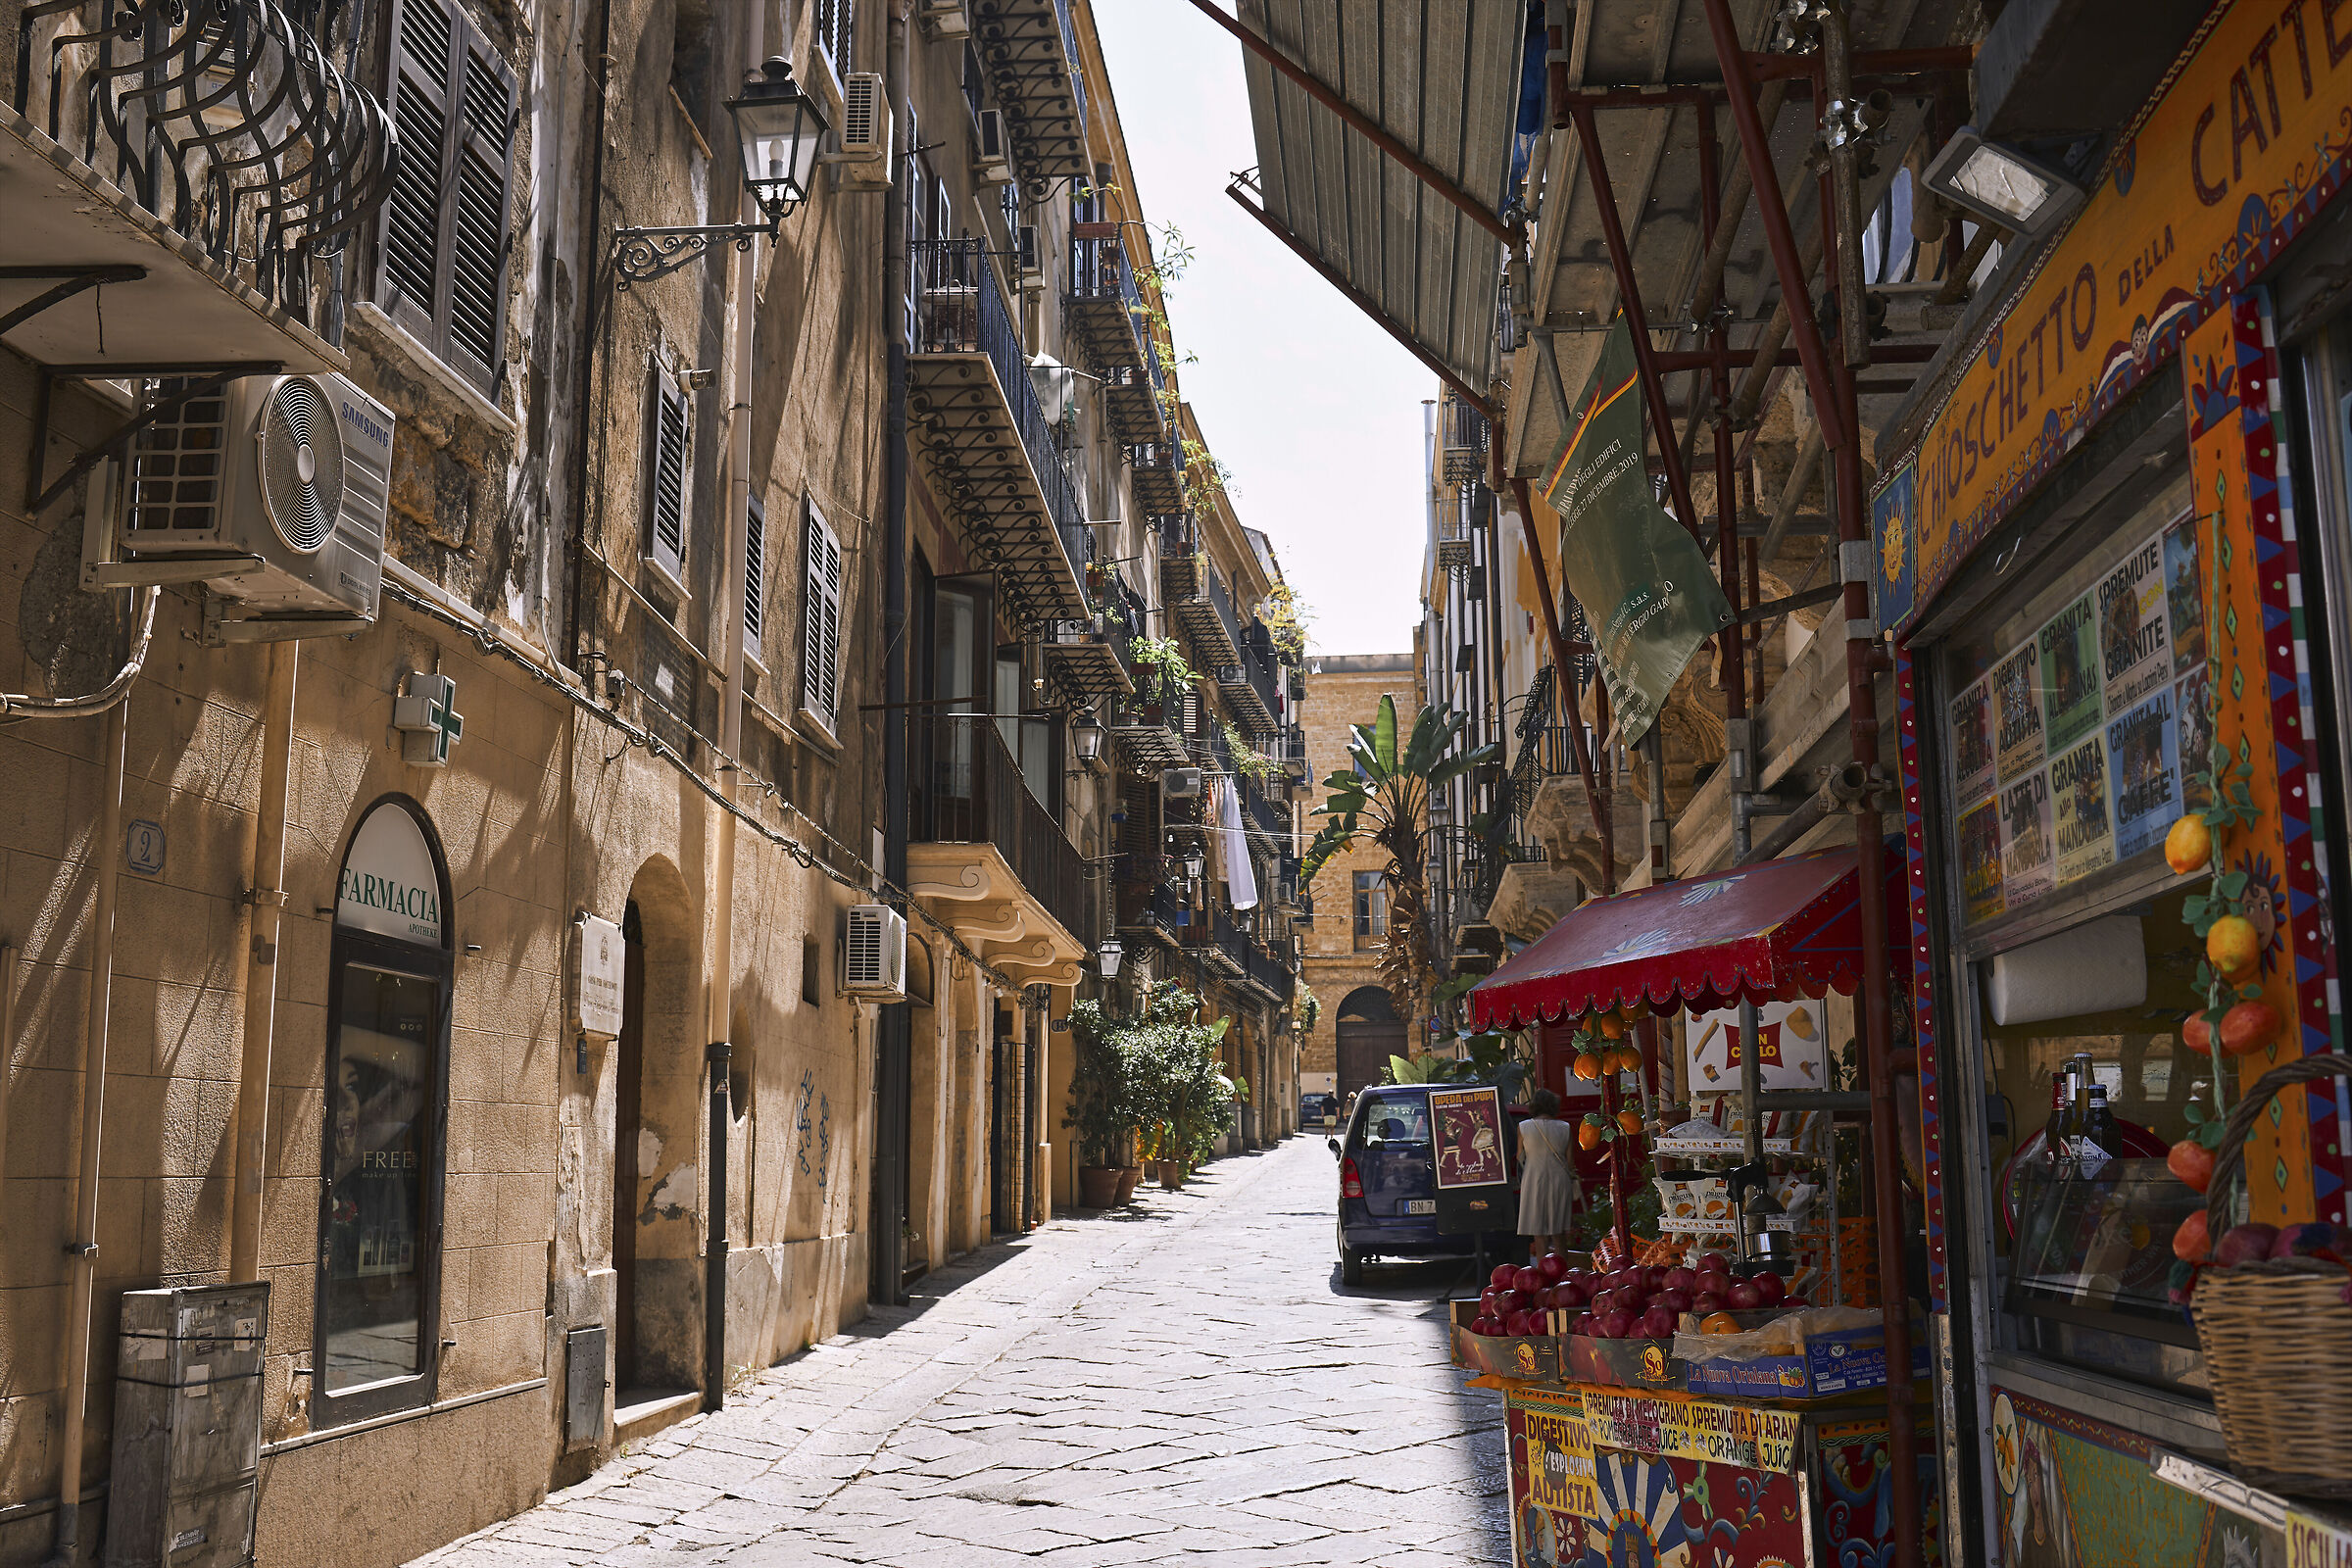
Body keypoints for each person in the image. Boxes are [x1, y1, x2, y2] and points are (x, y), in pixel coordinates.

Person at [1517, 1089, 1577, 1260]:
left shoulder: (1523, 1127)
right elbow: (1570, 1162)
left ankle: (1543, 1277)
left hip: (1533, 1179)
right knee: (1559, 1234)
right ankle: (1562, 1275)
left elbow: (1520, 1157)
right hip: (1559, 1180)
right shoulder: (1565, 1128)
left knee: (1539, 1234)